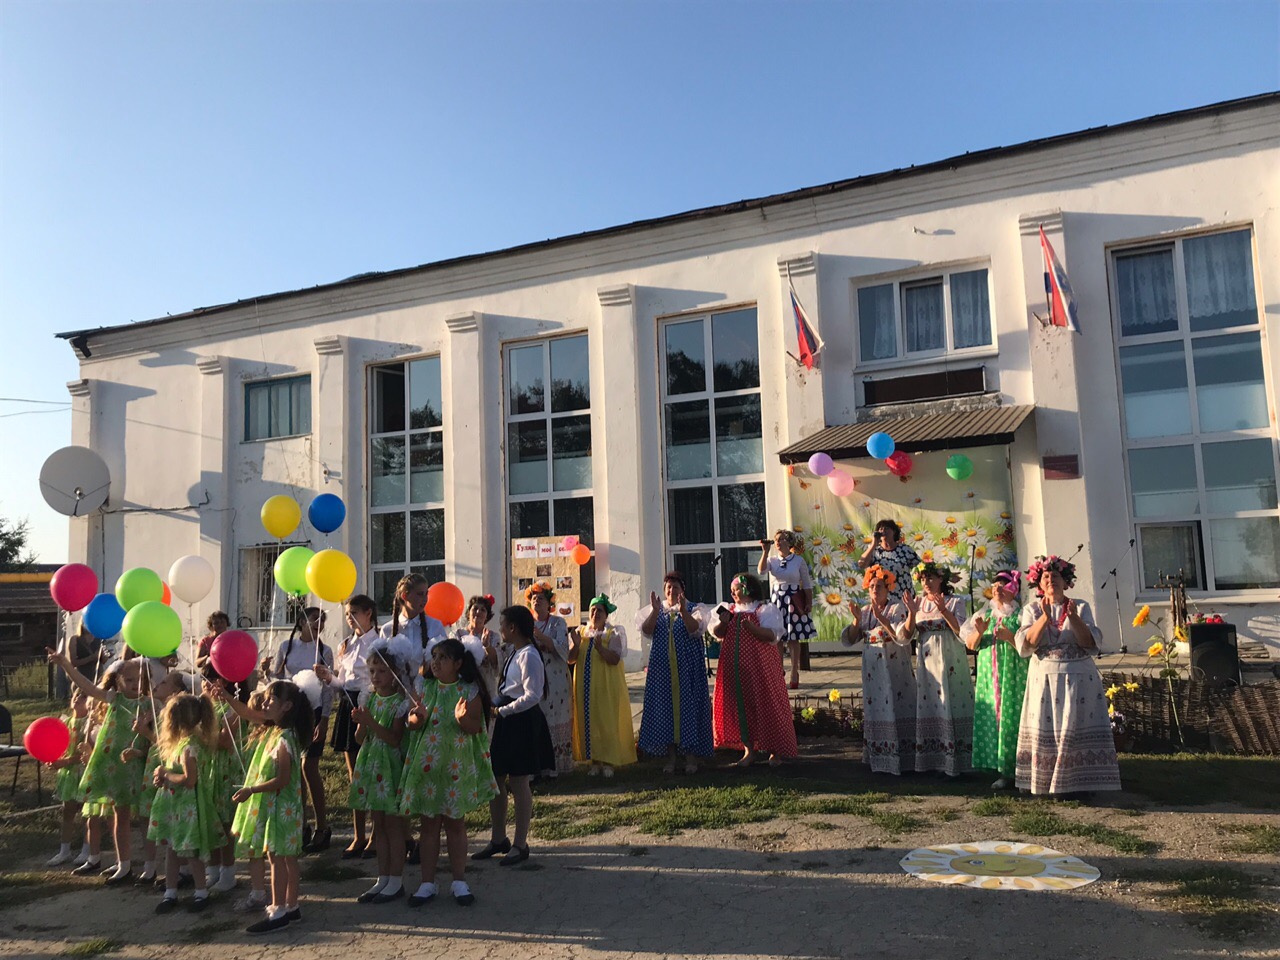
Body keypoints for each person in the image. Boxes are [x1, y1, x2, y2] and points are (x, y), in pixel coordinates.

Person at [401, 637, 497, 907]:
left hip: (455, 768)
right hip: (428, 767)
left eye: (443, 657)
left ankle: (459, 880)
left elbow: (475, 727)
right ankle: (427, 883)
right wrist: (415, 718)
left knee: (455, 824)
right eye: (434, 656)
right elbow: (412, 722)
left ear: (457, 663)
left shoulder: (468, 690)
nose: (436, 662)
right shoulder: (426, 687)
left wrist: (460, 718)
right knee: (429, 825)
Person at [1015, 556, 1120, 796]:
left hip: (1078, 678)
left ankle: (1081, 782)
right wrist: (1044, 617)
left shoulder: (1080, 606)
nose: (1051, 579)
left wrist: (1072, 618)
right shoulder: (1031, 609)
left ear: (1066, 582)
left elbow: (1089, 643)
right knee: (1047, 728)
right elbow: (1027, 645)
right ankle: (1045, 782)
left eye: (1056, 576)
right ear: (1039, 584)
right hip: (1045, 679)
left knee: (1075, 725)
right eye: (1046, 577)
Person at [219, 679, 314, 934]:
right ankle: (292, 907)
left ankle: (278, 910)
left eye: (272, 699)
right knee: (285, 859)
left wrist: (252, 789)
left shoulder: (284, 738)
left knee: (278, 859)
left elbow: (283, 779)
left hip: (281, 809)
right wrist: (227, 696)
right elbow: (247, 712)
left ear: (287, 706)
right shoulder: (275, 729)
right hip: (283, 809)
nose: (266, 702)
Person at [45, 649, 147, 884]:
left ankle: (139, 866)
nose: (134, 684)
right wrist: (66, 664)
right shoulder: (114, 699)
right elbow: (87, 686)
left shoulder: (149, 704)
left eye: (138, 680)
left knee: (131, 817)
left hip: (130, 767)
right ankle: (122, 864)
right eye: (128, 680)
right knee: (113, 816)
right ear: (118, 682)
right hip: (107, 766)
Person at [473, 606, 553, 867]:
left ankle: (520, 843)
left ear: (513, 628)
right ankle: (499, 838)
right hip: (508, 721)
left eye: (503, 624)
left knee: (519, 782)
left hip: (521, 721)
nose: (500, 629)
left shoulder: (529, 655)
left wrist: (503, 710)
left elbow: (533, 695)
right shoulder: (516, 652)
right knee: (496, 779)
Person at [261, 607, 333, 853]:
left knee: (309, 766)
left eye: (322, 621)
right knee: (292, 767)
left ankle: (323, 826)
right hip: (290, 711)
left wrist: (323, 719)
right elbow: (279, 678)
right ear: (301, 621)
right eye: (315, 620)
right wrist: (266, 671)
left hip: (312, 712)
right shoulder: (286, 646)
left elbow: (328, 687)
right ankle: (299, 824)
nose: (319, 625)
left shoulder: (325, 651)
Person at [710, 573, 798, 767]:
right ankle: (749, 750)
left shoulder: (764, 610)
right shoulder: (729, 610)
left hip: (760, 668)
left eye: (737, 588)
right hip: (735, 670)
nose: (733, 592)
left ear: (749, 589)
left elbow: (771, 636)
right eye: (732, 589)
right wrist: (723, 623)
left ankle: (776, 751)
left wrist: (752, 628)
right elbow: (717, 634)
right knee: (741, 706)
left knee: (767, 704)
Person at [315, 594, 380, 858]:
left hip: (368, 705)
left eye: (354, 612)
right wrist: (328, 677)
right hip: (347, 705)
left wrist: (366, 702)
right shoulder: (346, 644)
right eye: (346, 613)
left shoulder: (378, 642)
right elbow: (343, 681)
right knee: (355, 775)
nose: (350, 617)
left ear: (369, 613)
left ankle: (377, 835)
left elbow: (377, 679)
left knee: (374, 770)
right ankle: (358, 835)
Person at [148, 693, 224, 914]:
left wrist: (165, 774)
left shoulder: (188, 747)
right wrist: (163, 776)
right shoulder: (186, 743)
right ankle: (170, 892)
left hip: (186, 807)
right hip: (175, 806)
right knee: (172, 850)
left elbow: (189, 780)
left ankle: (201, 892)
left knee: (190, 852)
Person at [348, 639, 410, 904]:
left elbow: (394, 738)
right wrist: (360, 724)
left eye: (382, 671)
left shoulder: (399, 703)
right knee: (379, 825)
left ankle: (396, 880)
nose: (376, 677)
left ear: (395, 673)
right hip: (371, 765)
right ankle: (381, 878)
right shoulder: (369, 698)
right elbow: (361, 739)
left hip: (390, 766)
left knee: (394, 826)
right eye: (372, 671)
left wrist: (370, 722)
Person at [636, 571, 713, 774]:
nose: (672, 590)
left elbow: (694, 629)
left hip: (687, 670)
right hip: (662, 672)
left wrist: (683, 612)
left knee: (688, 708)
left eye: (676, 587)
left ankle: (690, 757)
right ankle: (670, 757)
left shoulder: (694, 608)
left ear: (683, 590)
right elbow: (647, 631)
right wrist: (654, 610)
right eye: (668, 587)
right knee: (665, 710)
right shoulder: (657, 611)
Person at [842, 566, 915, 775]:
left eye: (880, 586)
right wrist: (856, 621)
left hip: (893, 667)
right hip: (873, 669)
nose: (875, 589)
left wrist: (883, 621)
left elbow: (902, 636)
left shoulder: (896, 608)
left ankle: (903, 756)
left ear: (888, 588)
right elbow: (851, 639)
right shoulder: (865, 611)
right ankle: (879, 756)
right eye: (872, 586)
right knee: (876, 707)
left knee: (897, 702)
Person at [903, 560, 973, 777]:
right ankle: (932, 759)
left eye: (931, 578)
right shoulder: (918, 603)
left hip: (950, 658)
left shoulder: (954, 602)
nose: (927, 582)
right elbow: (907, 636)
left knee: (952, 699)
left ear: (941, 579)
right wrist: (912, 614)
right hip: (927, 661)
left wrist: (942, 609)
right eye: (923, 579)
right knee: (931, 702)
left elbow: (962, 632)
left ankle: (959, 760)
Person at [961, 570, 1027, 790]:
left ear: (1013, 589)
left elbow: (1028, 645)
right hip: (990, 675)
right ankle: (1002, 770)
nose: (998, 588)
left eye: (1004, 584)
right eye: (995, 584)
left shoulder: (1021, 614)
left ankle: (1021, 769)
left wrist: (1010, 638)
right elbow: (970, 644)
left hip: (1013, 674)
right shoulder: (985, 614)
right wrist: (979, 632)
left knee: (1013, 717)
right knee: (995, 718)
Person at [569, 594, 637, 777]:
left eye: (599, 610)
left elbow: (614, 659)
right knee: (589, 720)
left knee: (606, 720)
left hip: (606, 684)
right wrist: (575, 646)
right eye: (592, 610)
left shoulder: (612, 633)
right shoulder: (581, 633)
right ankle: (594, 761)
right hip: (585, 685)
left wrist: (600, 649)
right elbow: (571, 658)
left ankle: (608, 761)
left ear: (606, 615)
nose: (595, 613)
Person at [201, 663, 244, 893]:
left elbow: (225, 741)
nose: (206, 685)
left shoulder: (232, 709)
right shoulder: (204, 709)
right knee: (211, 822)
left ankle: (228, 873)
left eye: (211, 679)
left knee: (226, 823)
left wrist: (202, 736)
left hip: (225, 772)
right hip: (208, 771)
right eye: (204, 679)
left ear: (224, 682)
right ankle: (213, 870)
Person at [758, 529, 816, 690]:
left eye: (782, 539)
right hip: (777, 600)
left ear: (789, 543)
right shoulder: (772, 560)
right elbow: (761, 571)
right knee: (777, 637)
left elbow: (807, 583)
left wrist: (809, 603)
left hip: (794, 599)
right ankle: (778, 670)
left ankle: (794, 672)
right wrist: (765, 552)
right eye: (776, 539)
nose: (778, 541)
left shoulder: (798, 561)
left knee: (793, 637)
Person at [526, 582, 573, 776]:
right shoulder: (526, 623)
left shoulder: (557, 623)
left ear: (549, 604)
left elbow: (562, 648)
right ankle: (536, 767)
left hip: (556, 679)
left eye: (541, 598)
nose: (537, 601)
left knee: (555, 716)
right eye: (533, 598)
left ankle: (555, 767)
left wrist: (539, 637)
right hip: (534, 677)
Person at [46, 689, 90, 866]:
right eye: (77, 695)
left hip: (83, 771)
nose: (79, 698)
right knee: (68, 811)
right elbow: (58, 746)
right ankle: (64, 851)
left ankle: (87, 850)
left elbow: (87, 753)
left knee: (88, 813)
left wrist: (65, 762)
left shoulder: (89, 725)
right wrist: (53, 759)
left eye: (84, 696)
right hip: (68, 774)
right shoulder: (65, 723)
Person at [380, 573, 447, 689]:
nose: (425, 599)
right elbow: (381, 666)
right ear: (405, 596)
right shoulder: (387, 630)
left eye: (426, 594)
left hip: (429, 691)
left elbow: (445, 661)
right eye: (420, 594)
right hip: (396, 693)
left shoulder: (435, 625)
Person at [856, 519, 921, 604]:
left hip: (904, 598)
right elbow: (861, 564)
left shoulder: (905, 549)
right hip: (883, 600)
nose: (883, 531)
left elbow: (920, 567)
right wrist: (873, 545)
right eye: (880, 529)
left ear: (894, 531)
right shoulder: (874, 551)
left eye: (886, 528)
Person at [455, 594, 501, 701]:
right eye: (475, 608)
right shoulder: (457, 634)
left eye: (483, 610)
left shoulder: (493, 636)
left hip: (485, 686)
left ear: (487, 616)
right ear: (468, 613)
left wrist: (487, 646)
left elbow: (496, 664)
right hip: (462, 686)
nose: (478, 612)